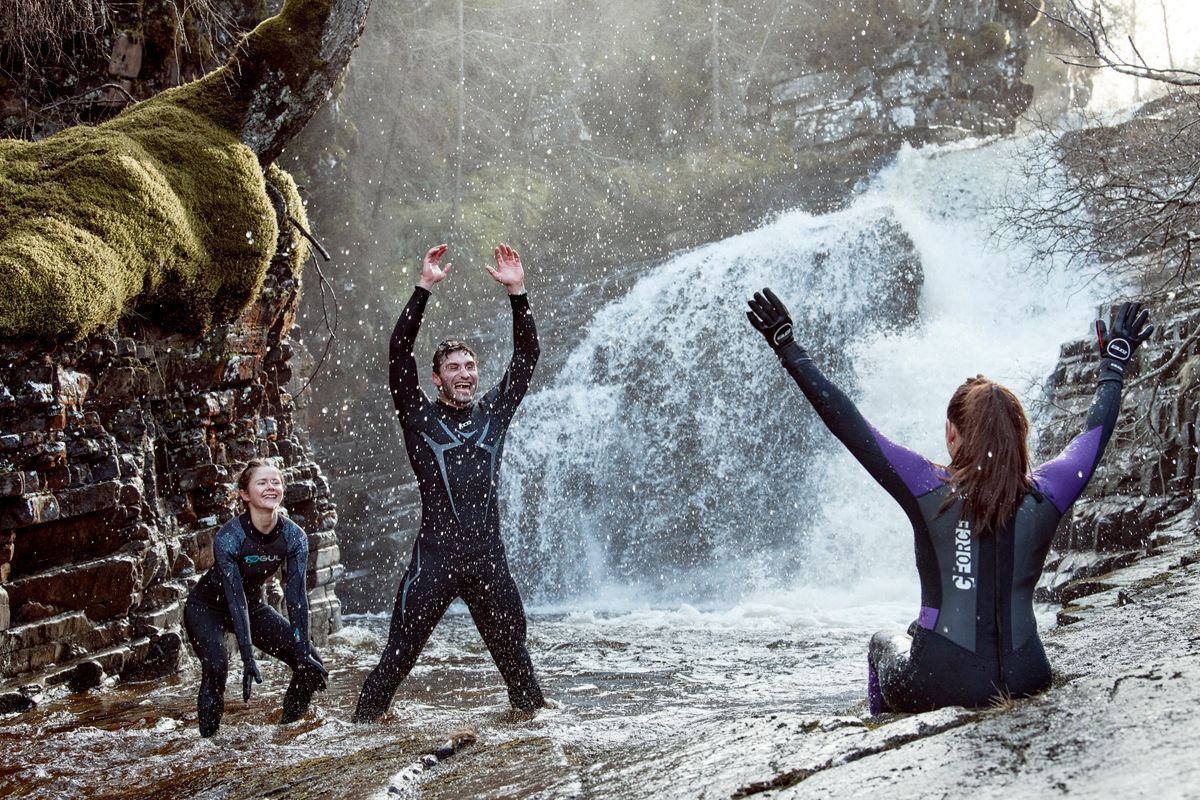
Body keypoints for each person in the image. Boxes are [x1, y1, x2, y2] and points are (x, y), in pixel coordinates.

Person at [746, 289, 1153, 713]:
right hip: (1027, 675)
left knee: (884, 642)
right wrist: (1114, 362)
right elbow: (1094, 435)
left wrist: (788, 347)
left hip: (940, 684)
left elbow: (848, 423)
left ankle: (881, 726)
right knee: (927, 630)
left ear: (953, 434)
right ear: (1018, 436)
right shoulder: (1049, 492)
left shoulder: (929, 487)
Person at [352, 242, 546, 723]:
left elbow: (527, 356)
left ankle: (535, 744)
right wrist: (424, 287)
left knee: (521, 676)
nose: (465, 374)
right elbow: (399, 352)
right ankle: (356, 738)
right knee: (394, 664)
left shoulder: (494, 413)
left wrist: (518, 293)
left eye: (470, 366)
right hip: (434, 560)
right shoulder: (419, 416)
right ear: (437, 379)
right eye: (454, 368)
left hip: (488, 559)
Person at [183, 459, 328, 736]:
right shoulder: (229, 537)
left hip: (253, 607)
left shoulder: (294, 536)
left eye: (276, 482)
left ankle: (286, 731)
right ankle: (208, 744)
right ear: (245, 494)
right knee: (217, 668)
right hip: (207, 609)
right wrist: (248, 657)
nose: (270, 487)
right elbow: (234, 599)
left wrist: (301, 649)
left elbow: (297, 598)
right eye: (262, 482)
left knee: (310, 665)